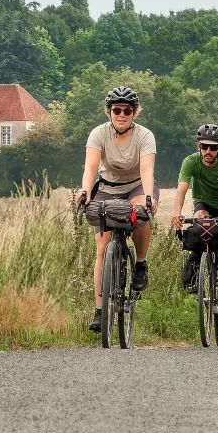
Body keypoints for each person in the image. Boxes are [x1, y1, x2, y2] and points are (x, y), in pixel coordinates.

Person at [78, 86, 158, 334]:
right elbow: (91, 167)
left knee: (140, 214)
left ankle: (141, 263)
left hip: (136, 186)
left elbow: (146, 170)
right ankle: (100, 310)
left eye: (127, 110)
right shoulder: (98, 134)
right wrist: (85, 192)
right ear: (109, 112)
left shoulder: (145, 136)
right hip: (107, 187)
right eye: (116, 110)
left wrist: (147, 197)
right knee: (102, 248)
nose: (121, 114)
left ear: (135, 112)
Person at [171, 124, 218, 330]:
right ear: (198, 146)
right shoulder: (190, 162)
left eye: (213, 148)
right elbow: (181, 190)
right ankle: (196, 265)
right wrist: (176, 213)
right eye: (204, 147)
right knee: (198, 222)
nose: (208, 152)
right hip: (204, 203)